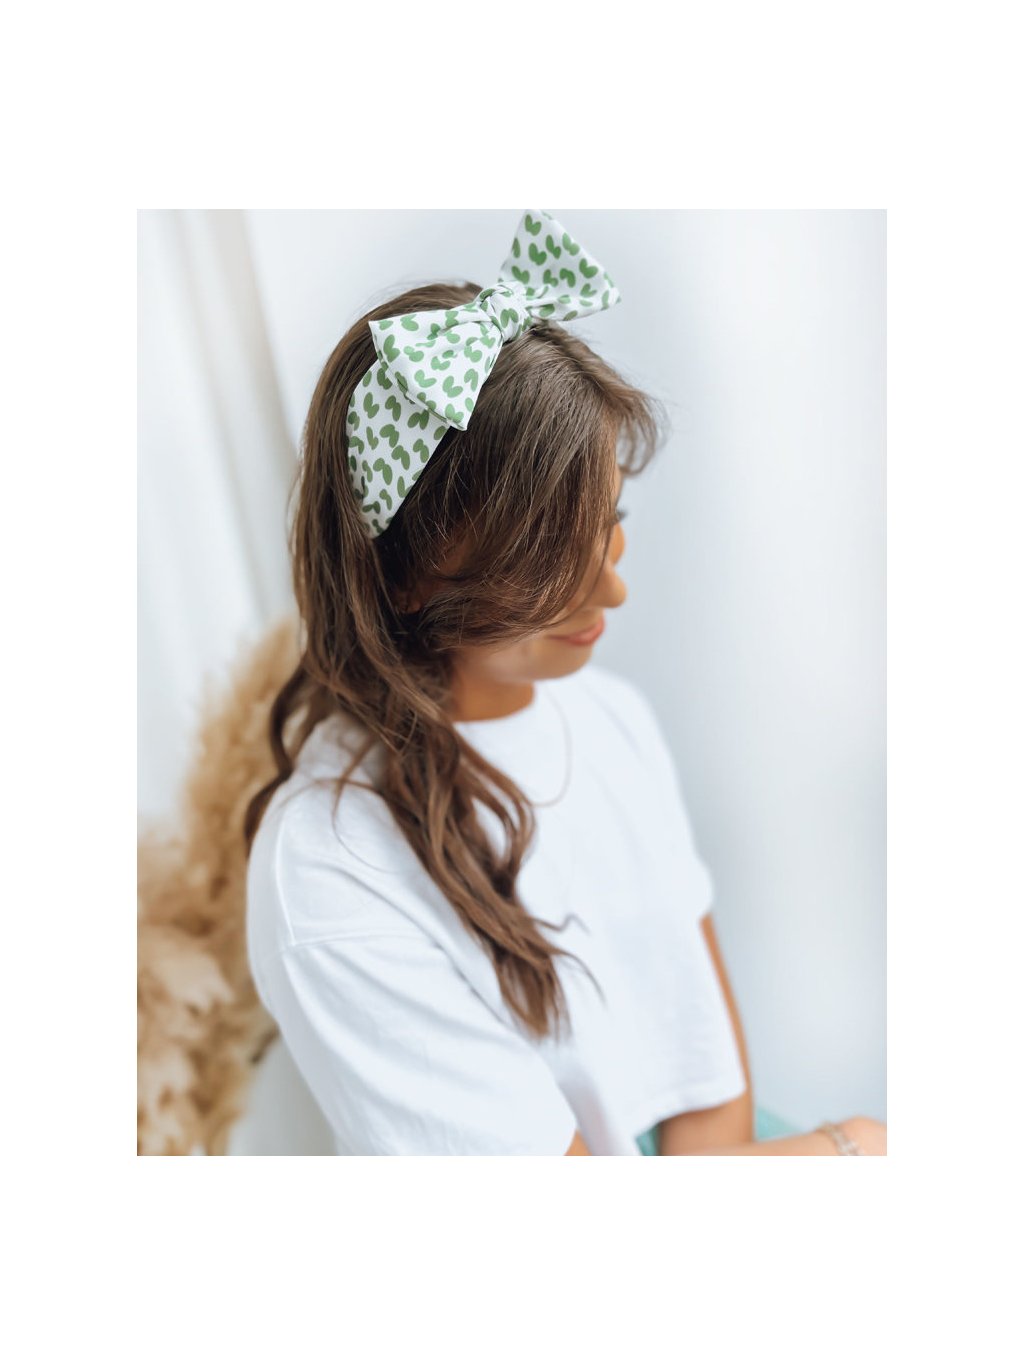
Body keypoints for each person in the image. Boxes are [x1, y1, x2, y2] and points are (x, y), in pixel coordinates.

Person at [243, 209, 886, 1156]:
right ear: (407, 574)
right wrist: (847, 1150)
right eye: (549, 563)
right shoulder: (331, 868)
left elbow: (707, 1091)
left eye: (609, 525)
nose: (612, 589)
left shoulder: (611, 719)